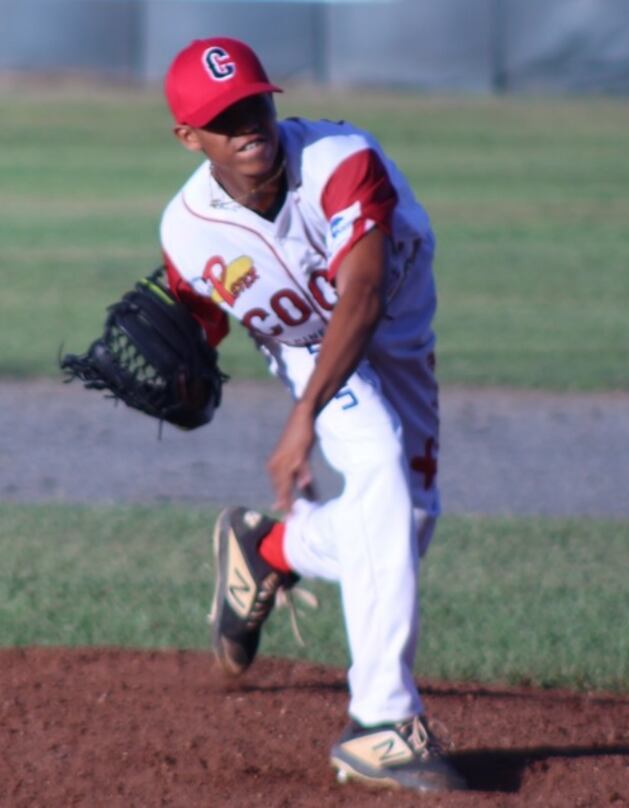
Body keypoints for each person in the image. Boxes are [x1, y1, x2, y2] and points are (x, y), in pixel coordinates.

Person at [158, 37, 465, 793]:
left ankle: (270, 551)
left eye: (253, 101)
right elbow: (196, 333)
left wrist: (301, 421)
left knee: (407, 522)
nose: (246, 123)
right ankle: (381, 725)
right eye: (222, 118)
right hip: (306, 348)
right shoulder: (187, 232)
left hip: (391, 332)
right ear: (190, 138)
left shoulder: (340, 159)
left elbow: (358, 296)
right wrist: (184, 380)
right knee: (380, 470)